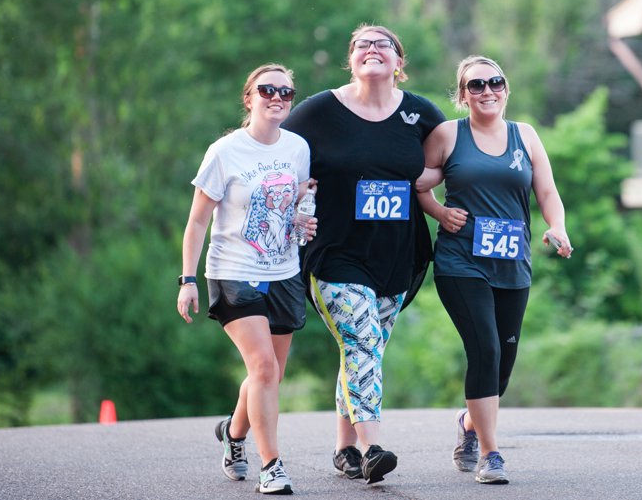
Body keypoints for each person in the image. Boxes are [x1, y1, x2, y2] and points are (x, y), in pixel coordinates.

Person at [281, 25, 444, 484]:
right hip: (335, 252)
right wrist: (294, 193)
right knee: (363, 342)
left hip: (399, 255)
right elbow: (275, 149)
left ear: (399, 63)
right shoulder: (321, 110)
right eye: (361, 46)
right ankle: (372, 447)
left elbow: (449, 156)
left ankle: (344, 448)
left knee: (362, 349)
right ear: (350, 61)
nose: (372, 50)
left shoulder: (419, 114)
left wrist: (428, 188)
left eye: (383, 44)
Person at [417, 55, 573, 485]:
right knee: (484, 348)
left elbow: (547, 190)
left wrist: (556, 227)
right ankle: (491, 453)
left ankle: (470, 423)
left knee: (503, 361)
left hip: (512, 263)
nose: (487, 91)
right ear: (462, 94)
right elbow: (418, 182)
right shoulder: (450, 135)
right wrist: (438, 212)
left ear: (507, 88)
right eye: (476, 85)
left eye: (495, 82)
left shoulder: (526, 136)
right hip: (460, 261)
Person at [177, 62, 316, 496]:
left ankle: (233, 435)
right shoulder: (225, 151)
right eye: (267, 90)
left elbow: (292, 204)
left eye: (286, 92)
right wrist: (187, 279)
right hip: (234, 272)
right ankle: (272, 466)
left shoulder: (297, 148)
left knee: (270, 375)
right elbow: (198, 221)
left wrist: (299, 219)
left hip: (284, 272)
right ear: (249, 97)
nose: (277, 98)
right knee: (262, 366)